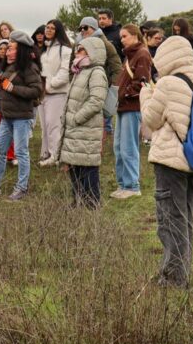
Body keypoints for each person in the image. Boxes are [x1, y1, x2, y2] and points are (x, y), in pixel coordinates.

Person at [140, 35, 193, 289]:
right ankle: (181, 271)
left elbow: (150, 120)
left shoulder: (167, 84)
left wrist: (146, 94)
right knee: (185, 218)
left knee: (169, 221)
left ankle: (173, 278)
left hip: (170, 161)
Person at [0, 31, 43, 201]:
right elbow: (9, 85)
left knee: (21, 153)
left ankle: (22, 187)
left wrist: (12, 88)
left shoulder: (29, 68)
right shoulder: (8, 67)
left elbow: (37, 90)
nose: (7, 52)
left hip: (21, 117)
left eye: (11, 49)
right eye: (7, 49)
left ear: (20, 50)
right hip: (7, 117)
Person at [59, 37, 108, 207]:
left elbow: (96, 100)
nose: (76, 52)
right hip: (75, 129)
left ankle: (92, 206)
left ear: (92, 52)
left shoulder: (96, 72)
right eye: (77, 48)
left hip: (85, 128)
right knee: (75, 166)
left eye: (81, 49)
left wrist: (76, 118)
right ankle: (78, 203)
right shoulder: (80, 70)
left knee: (88, 168)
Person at [112, 24, 154, 199]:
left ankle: (132, 186)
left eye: (125, 36)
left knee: (129, 147)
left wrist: (124, 93)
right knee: (118, 147)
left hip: (132, 106)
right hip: (122, 106)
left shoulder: (142, 54)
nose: (122, 39)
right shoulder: (129, 56)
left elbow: (141, 83)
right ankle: (123, 184)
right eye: (121, 37)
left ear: (136, 36)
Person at [76, 16, 122, 131]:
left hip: (99, 85)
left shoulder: (105, 44)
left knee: (97, 120)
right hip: (80, 87)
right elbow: (71, 66)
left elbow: (116, 66)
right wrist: (73, 80)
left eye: (85, 27)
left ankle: (104, 133)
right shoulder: (78, 44)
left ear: (93, 28)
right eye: (80, 28)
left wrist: (112, 85)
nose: (82, 30)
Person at [37, 19, 72, 166]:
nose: (48, 30)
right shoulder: (44, 50)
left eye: (52, 28)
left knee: (54, 125)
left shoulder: (65, 50)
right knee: (44, 125)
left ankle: (55, 156)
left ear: (58, 30)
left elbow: (64, 73)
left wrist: (49, 86)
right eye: (47, 28)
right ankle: (46, 153)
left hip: (57, 93)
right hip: (42, 93)